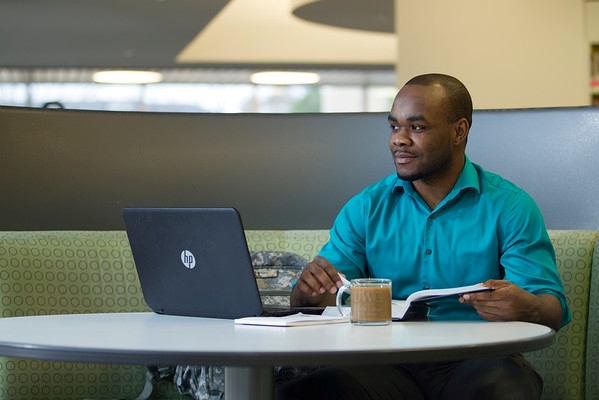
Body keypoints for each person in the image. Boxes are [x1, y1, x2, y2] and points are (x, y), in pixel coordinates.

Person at [276, 73, 571, 400]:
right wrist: (307, 294)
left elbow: (551, 308)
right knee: (308, 392)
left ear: (459, 131)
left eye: (416, 128)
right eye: (393, 127)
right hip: (384, 363)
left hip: (479, 359)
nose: (398, 140)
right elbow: (323, 297)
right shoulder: (366, 206)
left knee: (500, 388)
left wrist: (527, 307)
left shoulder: (511, 206)